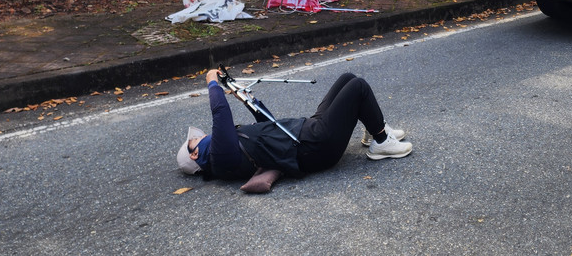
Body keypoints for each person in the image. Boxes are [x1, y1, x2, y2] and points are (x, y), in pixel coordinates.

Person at [177, 69, 412, 192]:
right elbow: (220, 114)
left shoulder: (227, 149)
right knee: (358, 87)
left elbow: (268, 124)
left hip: (306, 131)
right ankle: (381, 142)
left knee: (347, 78)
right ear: (195, 155)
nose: (200, 136)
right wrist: (211, 82)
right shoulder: (220, 158)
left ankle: (374, 128)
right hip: (315, 145)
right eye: (194, 141)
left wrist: (245, 98)